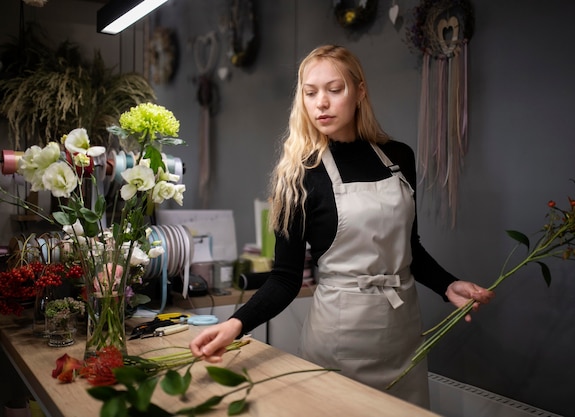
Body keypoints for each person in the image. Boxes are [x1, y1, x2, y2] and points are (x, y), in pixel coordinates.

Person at [190, 44, 494, 408]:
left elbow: (408, 248)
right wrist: (236, 325)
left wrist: (448, 285)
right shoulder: (299, 175)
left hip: (404, 337)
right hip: (339, 340)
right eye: (310, 92)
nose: (321, 103)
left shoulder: (398, 158)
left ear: (360, 91)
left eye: (335, 90)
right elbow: (285, 279)